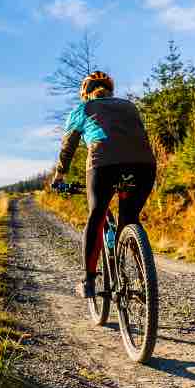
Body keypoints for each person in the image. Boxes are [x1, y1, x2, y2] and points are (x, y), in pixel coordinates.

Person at [51, 71, 157, 298]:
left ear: (85, 93)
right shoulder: (129, 106)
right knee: (129, 219)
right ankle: (144, 280)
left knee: (97, 215)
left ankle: (88, 281)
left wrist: (59, 176)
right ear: (110, 91)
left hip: (104, 166)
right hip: (144, 166)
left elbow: (67, 147)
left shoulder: (82, 110)